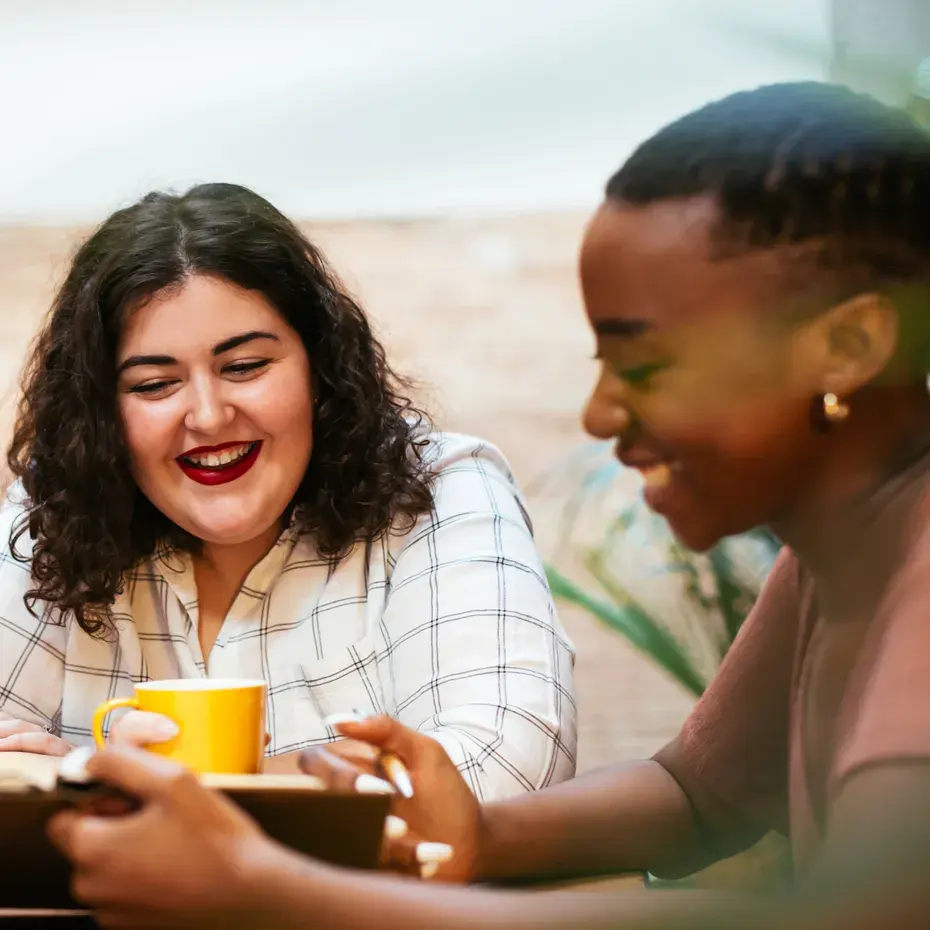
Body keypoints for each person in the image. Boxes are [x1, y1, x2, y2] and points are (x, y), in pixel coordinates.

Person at [50, 81, 930, 927]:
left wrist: (278, 893)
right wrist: (474, 833)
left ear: (848, 346)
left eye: (648, 367)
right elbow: (694, 795)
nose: (600, 415)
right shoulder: (836, 555)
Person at [0, 183, 577, 800]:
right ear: (102, 413)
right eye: (154, 384)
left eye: (244, 367)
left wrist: (119, 777)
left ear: (319, 368)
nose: (209, 416)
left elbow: (507, 771)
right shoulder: (58, 510)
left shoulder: (442, 491)